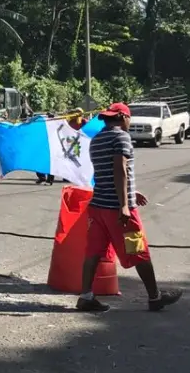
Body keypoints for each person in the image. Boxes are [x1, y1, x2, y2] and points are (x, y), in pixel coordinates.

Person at [76, 102, 181, 313]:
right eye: (129, 118)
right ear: (123, 117)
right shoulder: (121, 137)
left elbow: (106, 173)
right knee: (139, 250)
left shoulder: (96, 140)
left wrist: (132, 192)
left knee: (93, 253)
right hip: (118, 210)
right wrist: (125, 204)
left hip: (98, 208)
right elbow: (119, 169)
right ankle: (155, 297)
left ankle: (86, 296)